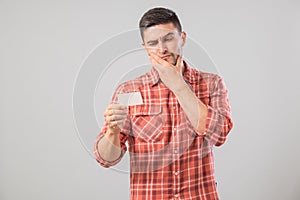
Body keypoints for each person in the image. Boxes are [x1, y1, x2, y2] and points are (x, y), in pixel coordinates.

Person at [94, 7, 233, 200]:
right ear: (145, 47)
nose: (162, 49)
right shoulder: (129, 91)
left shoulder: (211, 84)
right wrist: (113, 131)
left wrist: (179, 86)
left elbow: (220, 134)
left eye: (168, 38)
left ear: (182, 38)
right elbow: (106, 159)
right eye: (153, 42)